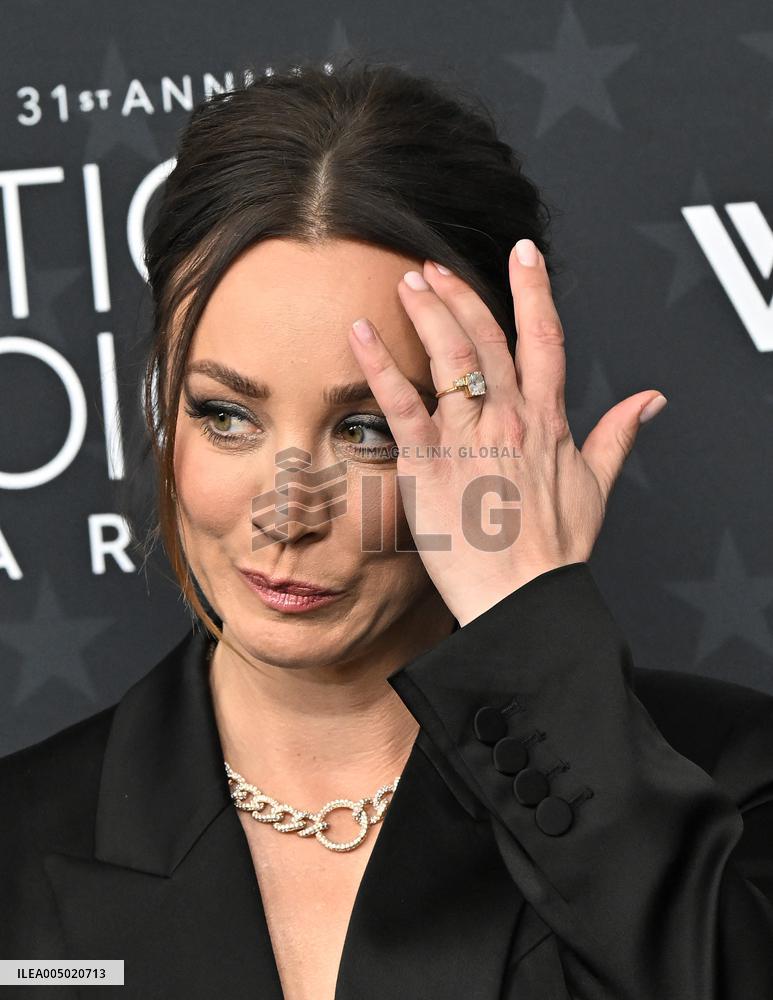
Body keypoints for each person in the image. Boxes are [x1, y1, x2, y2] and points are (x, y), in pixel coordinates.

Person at [1, 56, 772, 1000]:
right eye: (224, 415)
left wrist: (521, 613)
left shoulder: (731, 778)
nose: (286, 513)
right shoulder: (18, 845)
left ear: (498, 426)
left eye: (367, 430)